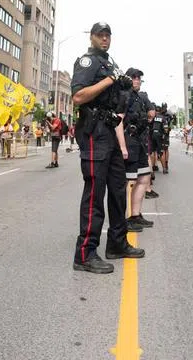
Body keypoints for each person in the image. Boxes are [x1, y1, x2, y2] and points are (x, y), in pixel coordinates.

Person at [71, 22, 143, 273]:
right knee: (95, 194)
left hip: (110, 131)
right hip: (94, 132)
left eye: (107, 36)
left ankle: (117, 242)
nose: (105, 39)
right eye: (100, 35)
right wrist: (109, 81)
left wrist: (120, 83)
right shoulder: (87, 62)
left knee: (117, 190)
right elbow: (78, 97)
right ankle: (85, 253)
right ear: (91, 37)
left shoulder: (109, 62)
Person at [121, 67, 154, 232]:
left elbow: (151, 112)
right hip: (128, 142)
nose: (137, 80)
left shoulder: (140, 96)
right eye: (134, 78)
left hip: (139, 143)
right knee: (126, 182)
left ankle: (135, 216)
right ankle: (121, 221)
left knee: (144, 178)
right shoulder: (123, 95)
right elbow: (118, 121)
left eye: (139, 78)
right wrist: (121, 146)